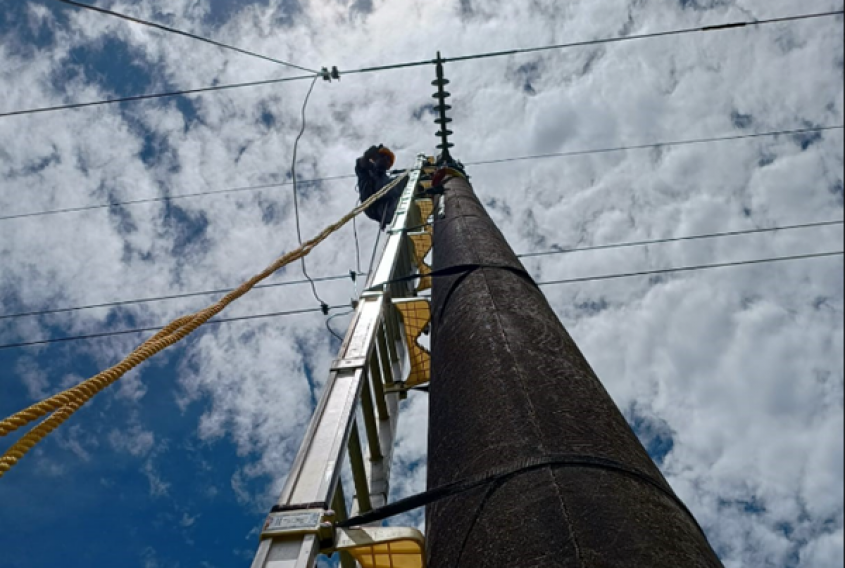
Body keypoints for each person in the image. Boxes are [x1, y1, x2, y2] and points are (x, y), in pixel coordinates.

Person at [355, 144, 407, 230]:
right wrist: (367, 155)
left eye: (388, 159)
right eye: (383, 156)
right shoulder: (367, 171)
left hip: (386, 203)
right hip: (376, 208)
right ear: (375, 158)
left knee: (406, 200)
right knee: (401, 182)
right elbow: (361, 164)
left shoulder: (384, 177)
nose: (386, 159)